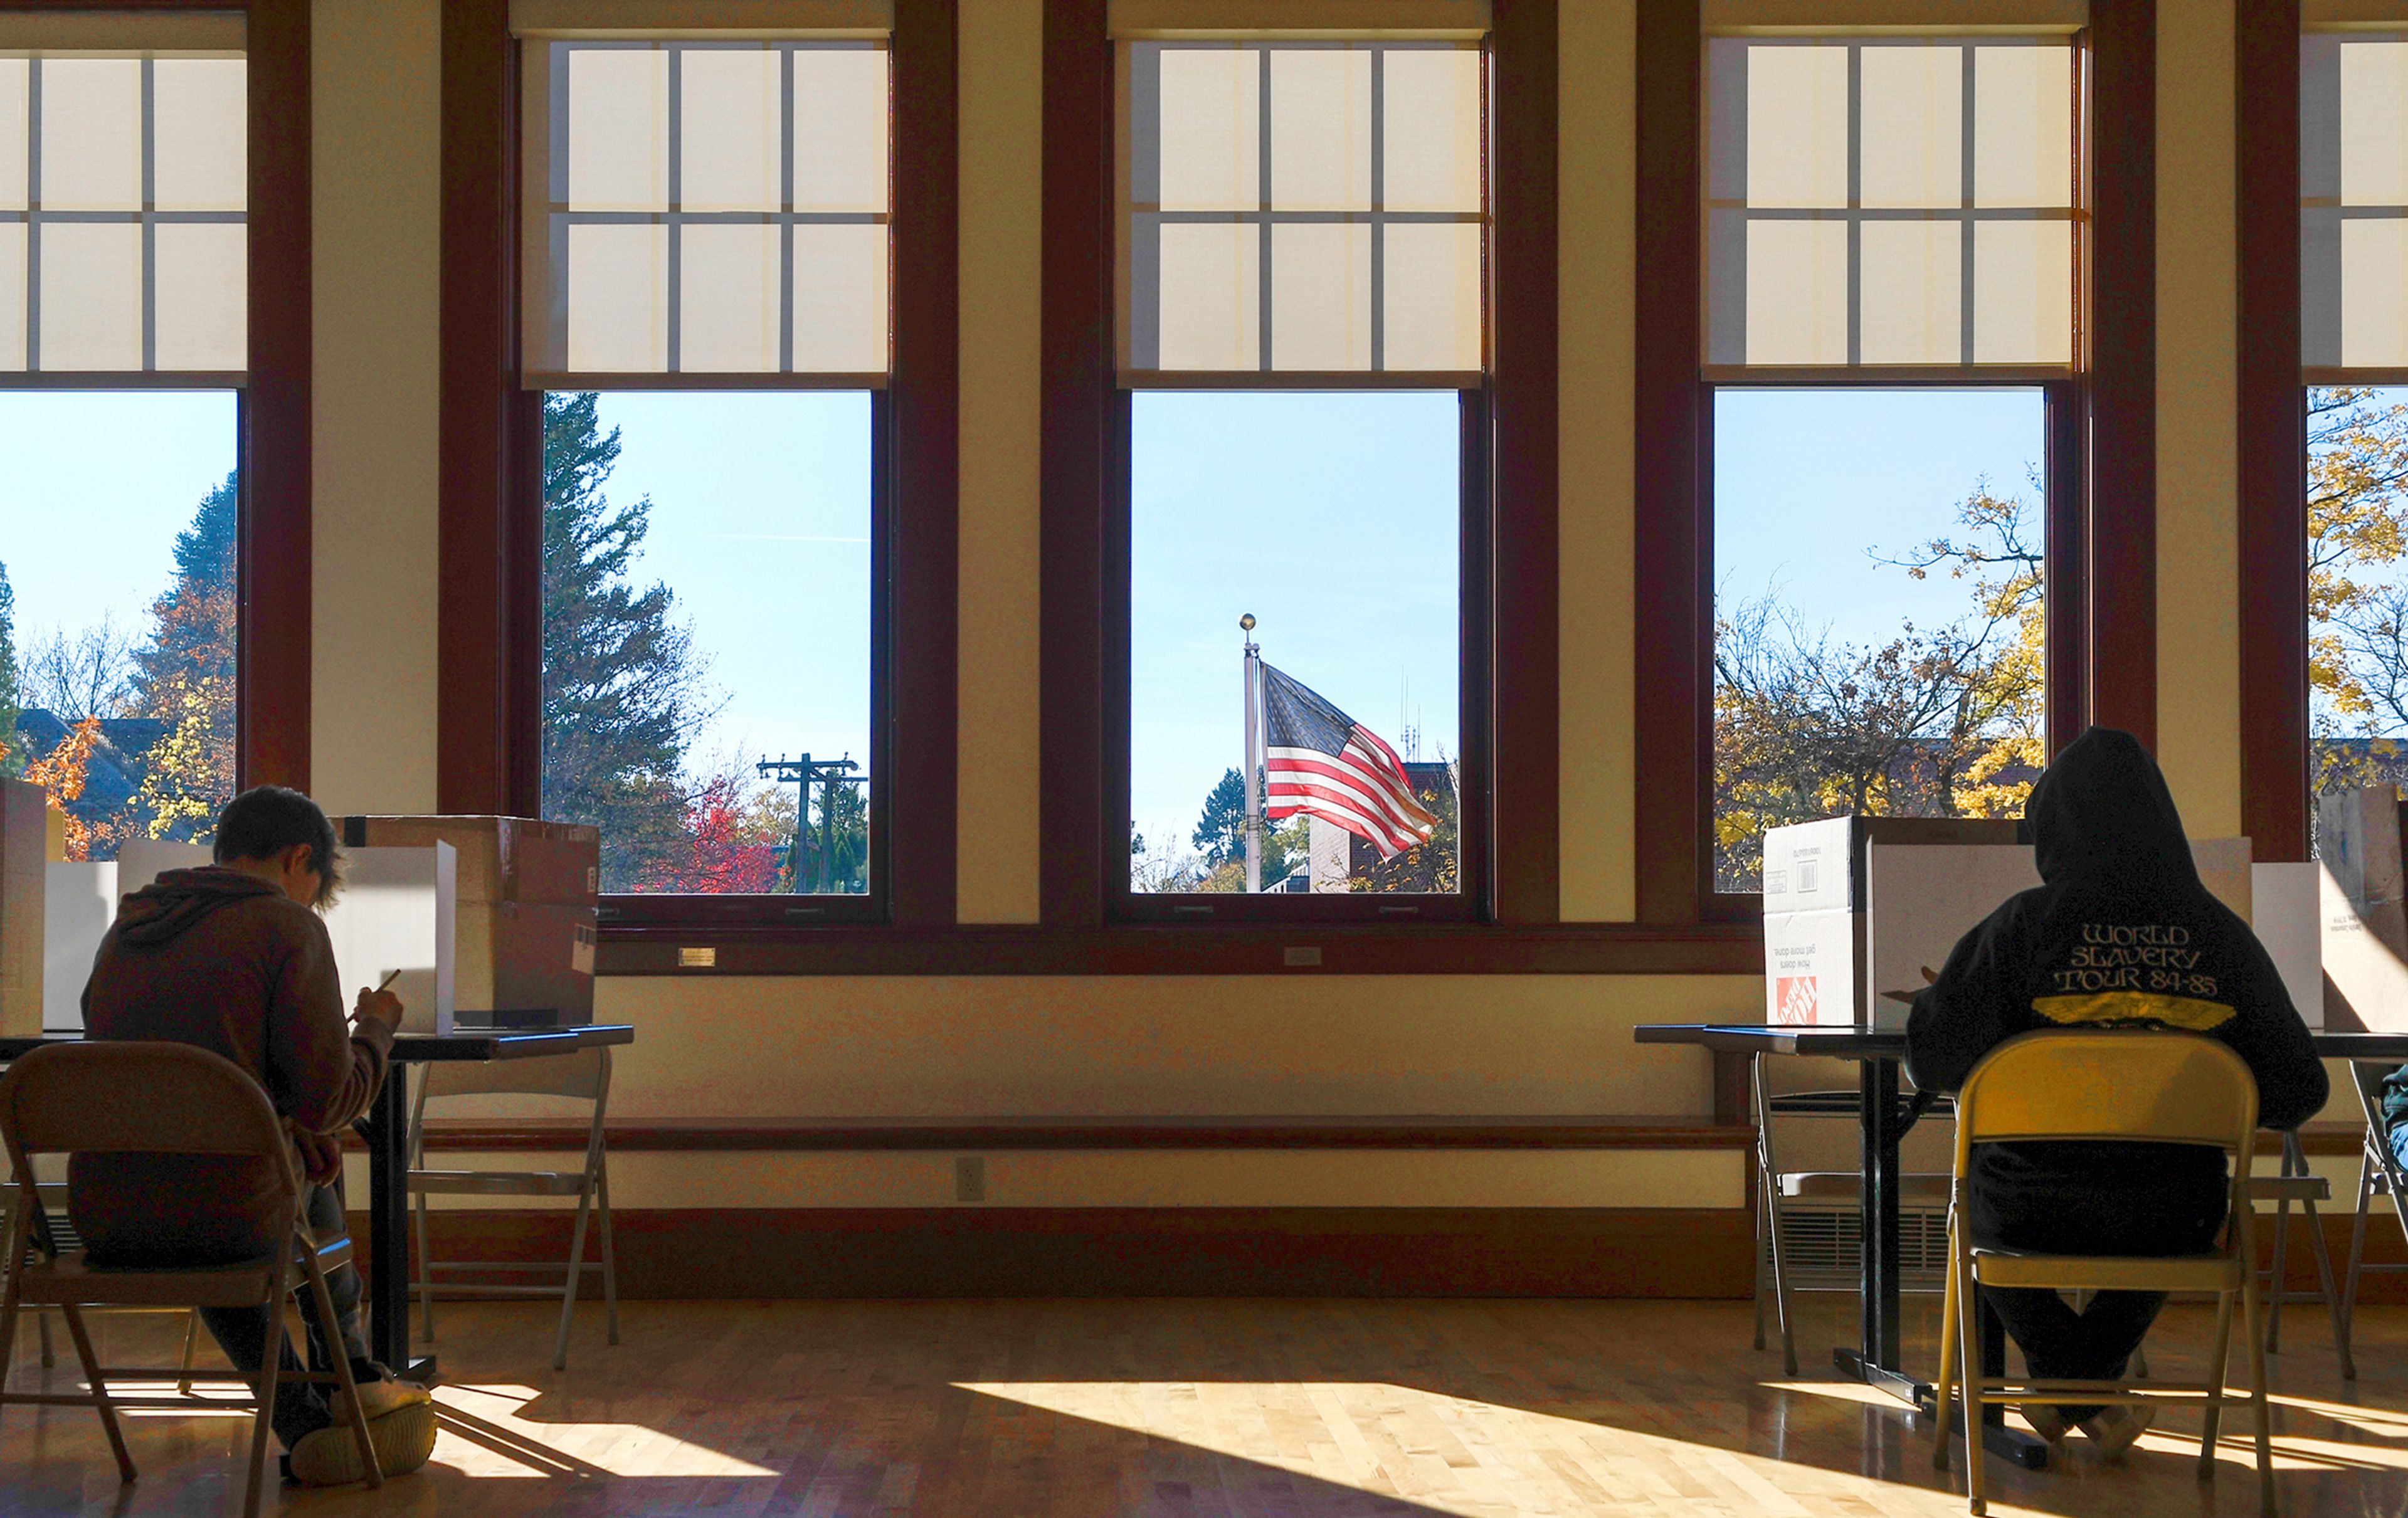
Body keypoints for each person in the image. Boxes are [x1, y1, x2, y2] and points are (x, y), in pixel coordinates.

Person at [1904, 727, 2327, 1457]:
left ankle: (2070, 1386)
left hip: (2028, 1207)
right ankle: (2088, 1388)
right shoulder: (2222, 937)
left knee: (1973, 1207)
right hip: (2175, 1213)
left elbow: (1933, 1062)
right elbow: (2295, 1093)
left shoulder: (2020, 931)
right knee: (2171, 1197)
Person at [66, 786, 436, 1485]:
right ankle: (350, 1377)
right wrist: (377, 1029)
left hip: (104, 1218)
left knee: (222, 1178)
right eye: (312, 889)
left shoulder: (126, 928)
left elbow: (154, 1076)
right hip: (233, 1217)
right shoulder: (286, 929)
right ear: (301, 858)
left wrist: (285, 1126)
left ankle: (304, 1421)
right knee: (276, 1179)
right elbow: (331, 1099)